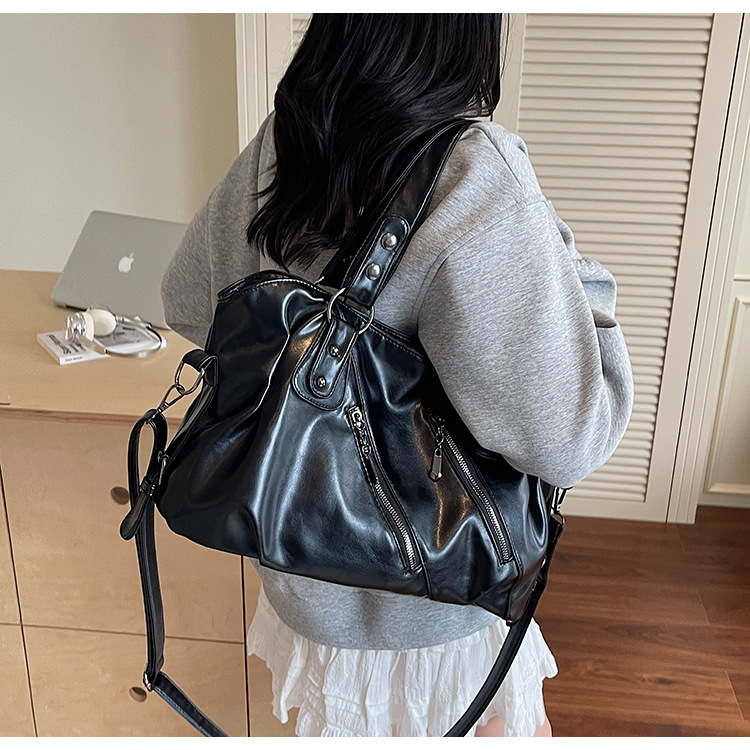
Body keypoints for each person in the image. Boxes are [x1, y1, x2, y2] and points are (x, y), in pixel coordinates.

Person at [161, 13, 634, 737]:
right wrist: (571, 272)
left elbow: (189, 301)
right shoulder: (476, 172)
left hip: (301, 594)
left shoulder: (291, 137)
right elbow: (570, 437)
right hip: (434, 622)